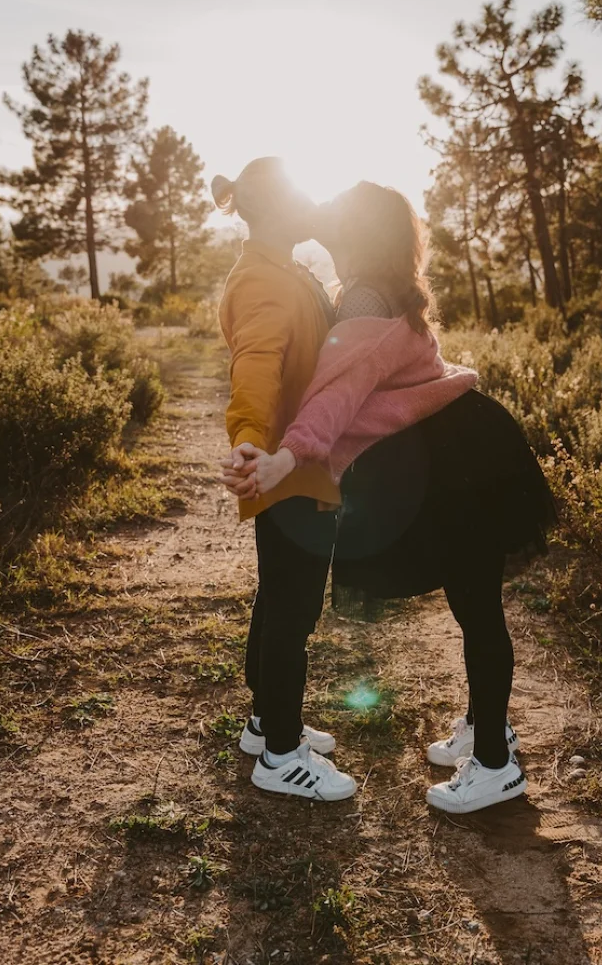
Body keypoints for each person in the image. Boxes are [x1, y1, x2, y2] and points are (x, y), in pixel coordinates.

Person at [230, 182, 557, 815]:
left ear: (359, 233)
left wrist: (289, 454)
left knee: (478, 607)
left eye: (337, 211)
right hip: (465, 454)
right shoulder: (375, 288)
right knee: (476, 603)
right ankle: (485, 729)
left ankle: (494, 760)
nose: (321, 211)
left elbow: (336, 391)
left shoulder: (367, 299)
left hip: (466, 465)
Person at [213, 157, 357, 802]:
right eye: (300, 196)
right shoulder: (264, 282)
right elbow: (256, 364)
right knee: (294, 610)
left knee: (276, 598)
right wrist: (248, 440)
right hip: (285, 464)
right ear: (274, 210)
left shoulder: (281, 268)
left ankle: (266, 720)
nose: (311, 204)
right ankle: (279, 755)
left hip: (295, 461)